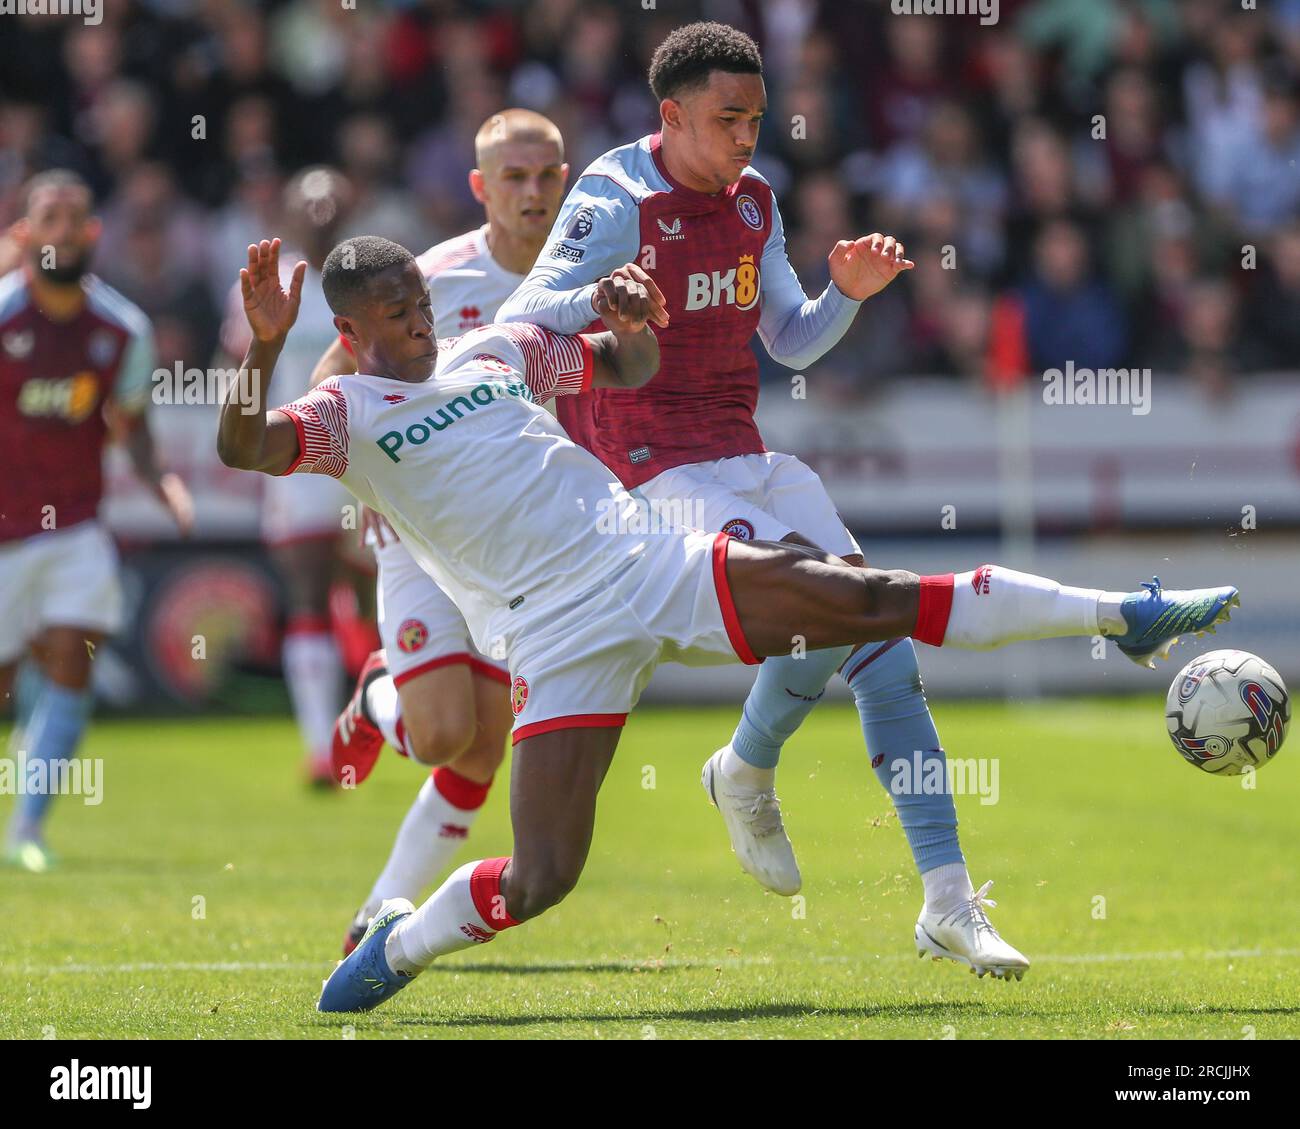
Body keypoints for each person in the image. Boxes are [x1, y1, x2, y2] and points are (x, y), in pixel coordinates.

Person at [214, 236, 1237, 1011]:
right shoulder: (346, 410)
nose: (417, 328)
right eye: (393, 318)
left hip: (641, 559)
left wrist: (631, 316)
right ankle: (396, 945)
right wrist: (261, 348)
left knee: (859, 594)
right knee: (541, 877)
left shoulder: (490, 352)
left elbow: (626, 370)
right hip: (547, 632)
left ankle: (1122, 616)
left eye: (419, 307)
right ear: (350, 333)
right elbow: (243, 447)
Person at [496, 20, 1006, 964]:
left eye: (757, 120)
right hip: (652, 467)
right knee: (827, 600)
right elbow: (521, 320)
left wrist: (845, 292)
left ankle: (943, 900)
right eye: (728, 120)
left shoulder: (756, 201)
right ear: (672, 114)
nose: (745, 139)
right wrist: (603, 292)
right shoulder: (613, 197)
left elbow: (792, 340)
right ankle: (746, 765)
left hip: (743, 452)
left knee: (880, 635)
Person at [309, 109, 571, 955]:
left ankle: (379, 909)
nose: (533, 193)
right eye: (515, 177)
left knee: (481, 751)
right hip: (423, 532)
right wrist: (370, 467)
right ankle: (376, 695)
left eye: (547, 176)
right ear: (480, 186)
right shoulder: (432, 278)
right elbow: (333, 377)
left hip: (516, 545)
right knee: (440, 734)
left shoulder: (589, 272)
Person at [0, 169, 193, 871]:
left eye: (72, 218)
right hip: (3, 532)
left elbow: (131, 425)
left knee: (71, 657)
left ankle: (27, 826)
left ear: (92, 233)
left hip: (77, 526)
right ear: (24, 234)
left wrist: (161, 479)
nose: (61, 230)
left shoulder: (121, 329)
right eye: (46, 218)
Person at [214, 167, 362, 786]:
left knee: (378, 592)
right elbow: (235, 365)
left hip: (365, 456)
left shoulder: (372, 277)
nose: (323, 211)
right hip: (294, 454)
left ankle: (391, 725)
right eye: (311, 202)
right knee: (306, 596)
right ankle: (319, 749)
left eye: (334, 201)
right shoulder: (265, 282)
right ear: (288, 211)